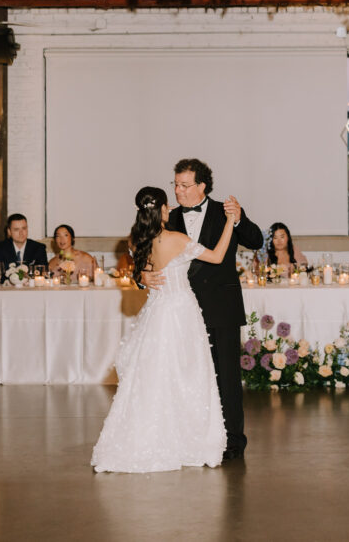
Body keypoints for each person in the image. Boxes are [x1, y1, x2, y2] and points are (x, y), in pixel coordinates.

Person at [91, 186, 238, 473]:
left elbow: (140, 271)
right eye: (167, 205)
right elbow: (218, 256)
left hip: (157, 312)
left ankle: (152, 437)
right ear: (161, 209)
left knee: (153, 375)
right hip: (182, 311)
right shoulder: (176, 239)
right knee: (187, 374)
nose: (170, 209)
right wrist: (230, 221)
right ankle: (187, 441)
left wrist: (142, 275)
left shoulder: (136, 239)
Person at [144, 158, 263, 462]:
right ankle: (192, 437)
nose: (178, 191)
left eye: (185, 185)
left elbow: (256, 240)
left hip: (221, 307)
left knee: (227, 377)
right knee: (186, 376)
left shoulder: (226, 211)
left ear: (202, 186)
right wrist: (141, 276)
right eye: (176, 184)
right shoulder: (167, 217)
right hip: (181, 312)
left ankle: (233, 440)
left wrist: (239, 219)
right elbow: (144, 253)